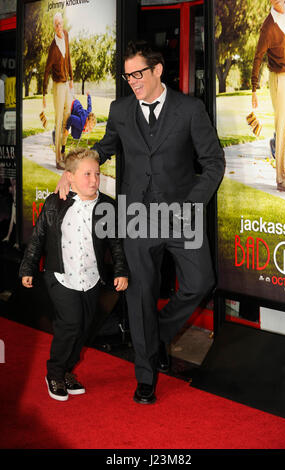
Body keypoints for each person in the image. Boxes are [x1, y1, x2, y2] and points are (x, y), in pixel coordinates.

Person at [56, 40, 225, 404]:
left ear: (157, 70)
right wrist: (74, 169)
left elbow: (213, 162)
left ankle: (157, 333)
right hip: (137, 216)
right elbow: (105, 147)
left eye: (138, 73)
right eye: (128, 75)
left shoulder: (189, 109)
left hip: (183, 214)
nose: (132, 81)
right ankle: (145, 376)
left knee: (201, 283)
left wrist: (192, 205)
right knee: (140, 296)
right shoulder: (120, 110)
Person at [19, 148, 129, 401]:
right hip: (60, 276)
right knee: (70, 324)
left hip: (91, 278)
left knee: (84, 328)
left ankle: (68, 370)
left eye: (97, 174)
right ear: (69, 177)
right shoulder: (54, 203)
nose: (93, 179)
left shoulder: (107, 206)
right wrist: (28, 267)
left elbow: (115, 243)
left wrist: (121, 270)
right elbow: (38, 239)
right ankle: (54, 372)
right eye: (87, 174)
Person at [251, 0, 285, 193]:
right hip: (279, 79)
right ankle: (280, 179)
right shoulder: (268, 26)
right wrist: (254, 88)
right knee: (281, 126)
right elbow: (258, 56)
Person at [43, 12, 73, 170]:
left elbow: (68, 58)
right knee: (59, 119)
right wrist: (43, 95)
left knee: (67, 115)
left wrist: (72, 79)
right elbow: (46, 71)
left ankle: (63, 149)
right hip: (57, 85)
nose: (59, 27)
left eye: (60, 23)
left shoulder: (66, 35)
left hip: (67, 83)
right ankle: (57, 159)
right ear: (54, 27)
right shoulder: (53, 48)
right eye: (56, 25)